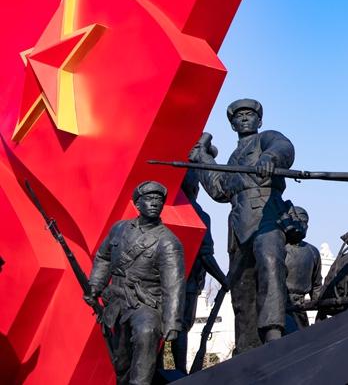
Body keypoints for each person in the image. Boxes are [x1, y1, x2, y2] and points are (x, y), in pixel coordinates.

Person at [191, 98, 295, 352]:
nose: (245, 118)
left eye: (250, 114)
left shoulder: (265, 140)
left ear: (260, 120)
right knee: (241, 287)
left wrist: (270, 157)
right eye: (239, 116)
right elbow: (219, 190)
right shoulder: (233, 158)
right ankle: (246, 346)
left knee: (270, 263)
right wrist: (203, 158)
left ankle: (273, 331)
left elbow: (284, 146)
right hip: (238, 227)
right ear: (233, 125)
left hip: (266, 216)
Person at [85, 181, 185, 385]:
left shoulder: (168, 242)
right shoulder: (119, 229)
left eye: (159, 200)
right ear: (138, 204)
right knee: (122, 364)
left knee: (146, 334)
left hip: (146, 305)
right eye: (149, 199)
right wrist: (95, 285)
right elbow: (104, 257)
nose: (155, 203)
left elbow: (173, 285)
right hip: (117, 304)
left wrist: (172, 322)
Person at [170, 168, 228, 374]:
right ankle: (180, 372)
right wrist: (223, 279)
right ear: (195, 188)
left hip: (161, 284)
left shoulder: (165, 210)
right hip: (187, 283)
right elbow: (205, 254)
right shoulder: (200, 214)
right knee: (181, 327)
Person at [283, 204, 322, 333]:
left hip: (300, 309)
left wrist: (321, 311)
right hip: (280, 307)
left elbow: (317, 285)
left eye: (305, 222)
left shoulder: (312, 251)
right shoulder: (279, 248)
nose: (303, 225)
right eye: (299, 221)